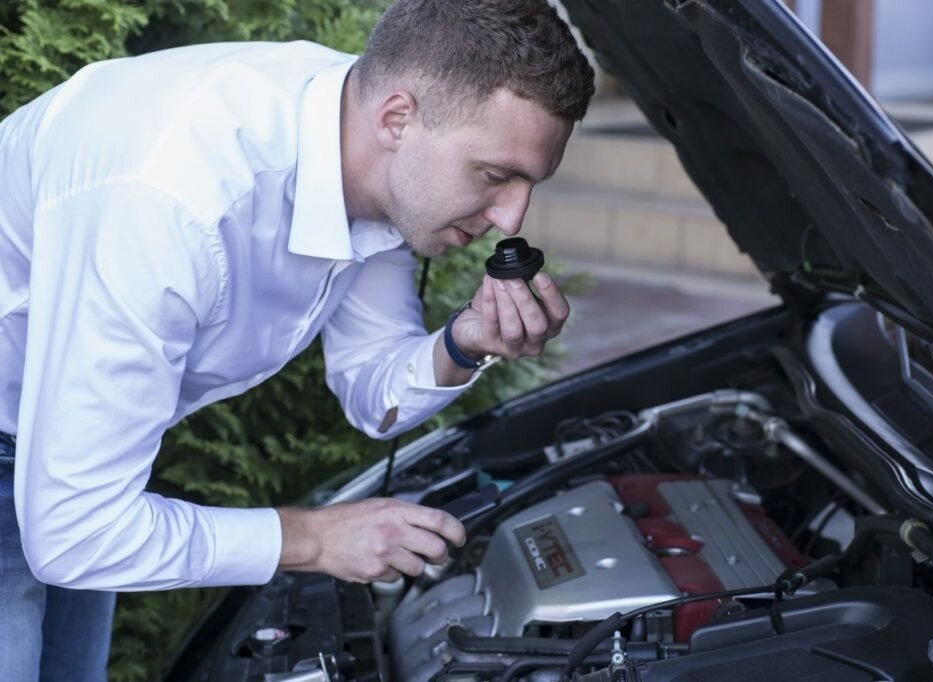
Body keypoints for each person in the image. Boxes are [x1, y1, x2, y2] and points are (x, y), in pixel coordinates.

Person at [0, 0, 595, 678]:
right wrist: (311, 538)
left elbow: (372, 390)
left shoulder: (364, 143)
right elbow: (77, 535)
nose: (512, 218)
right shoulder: (173, 202)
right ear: (398, 119)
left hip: (66, 463)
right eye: (494, 175)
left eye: (529, 183)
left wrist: (465, 343)